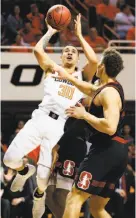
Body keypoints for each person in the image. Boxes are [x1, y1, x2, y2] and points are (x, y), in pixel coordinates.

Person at [3, 14, 98, 218]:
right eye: (66, 51)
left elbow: (94, 60)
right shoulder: (52, 69)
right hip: (40, 118)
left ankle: (39, 195)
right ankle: (22, 170)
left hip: (59, 125)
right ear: (61, 57)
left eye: (74, 51)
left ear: (77, 58)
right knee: (9, 160)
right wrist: (51, 31)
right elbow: (37, 50)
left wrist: (79, 36)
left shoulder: (82, 76)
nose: (70, 53)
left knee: (44, 177)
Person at [52, 47, 129, 218]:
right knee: (97, 208)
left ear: (101, 67)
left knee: (74, 198)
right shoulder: (107, 88)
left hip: (106, 149)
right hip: (117, 150)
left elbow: (110, 127)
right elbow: (87, 88)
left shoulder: (109, 93)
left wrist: (84, 114)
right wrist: (68, 77)